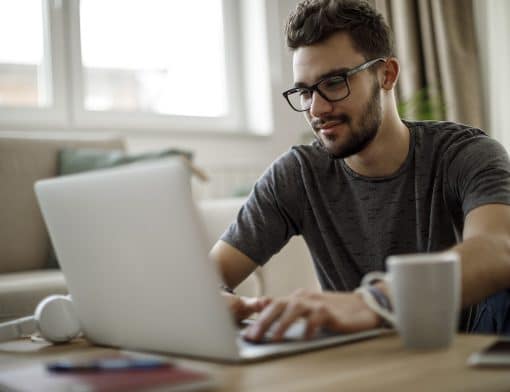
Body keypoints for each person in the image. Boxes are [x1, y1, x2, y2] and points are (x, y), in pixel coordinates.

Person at [210, 0, 510, 341]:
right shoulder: (297, 175)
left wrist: (372, 302)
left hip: (468, 352)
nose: (317, 109)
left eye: (335, 83)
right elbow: (209, 275)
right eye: (305, 92)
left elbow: (498, 247)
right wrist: (212, 300)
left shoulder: (464, 154)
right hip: (362, 362)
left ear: (387, 74)